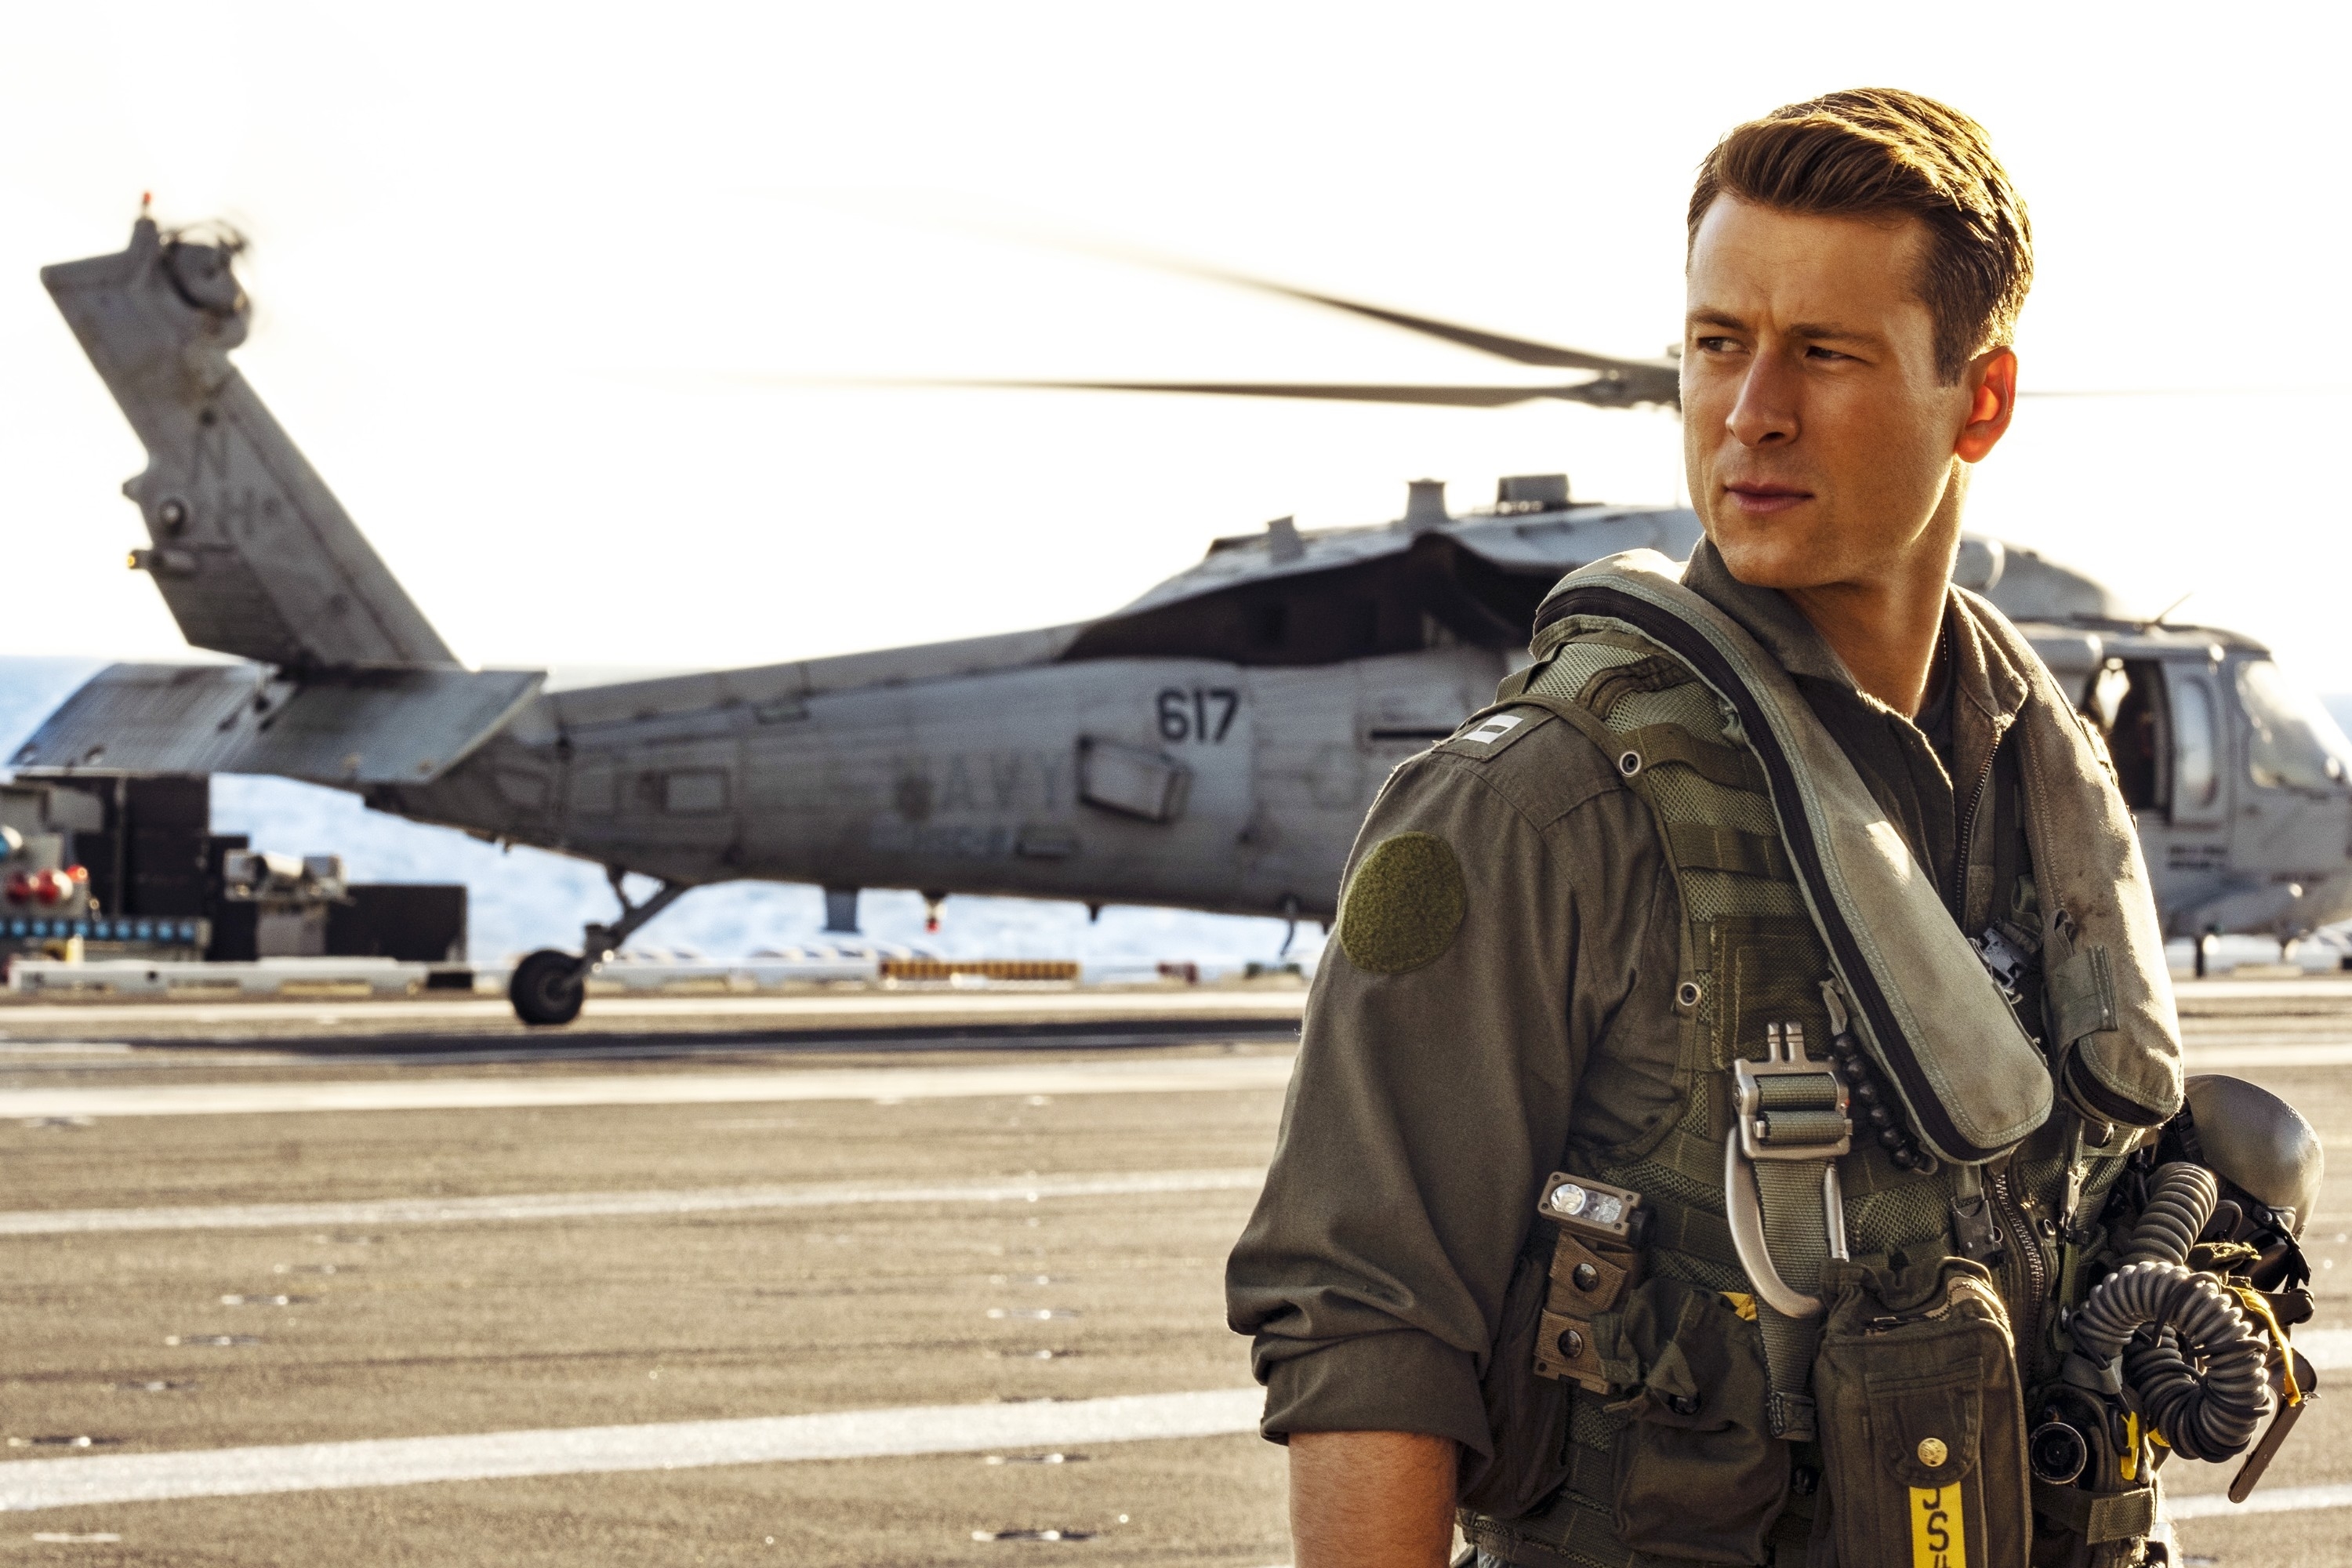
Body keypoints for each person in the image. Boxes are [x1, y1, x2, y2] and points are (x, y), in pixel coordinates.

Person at [1227, 89, 2185, 1568]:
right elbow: (1367, 1327)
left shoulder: (2044, 792)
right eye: (1719, 344)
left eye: (1825, 353)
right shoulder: (1522, 811)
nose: (1752, 415)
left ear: (1977, 401)